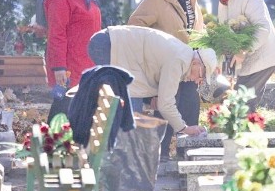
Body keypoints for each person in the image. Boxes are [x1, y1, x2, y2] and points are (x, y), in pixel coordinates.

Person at [128, 0, 205, 157]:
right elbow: (135, 27)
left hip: (188, 65)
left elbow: (198, 29)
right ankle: (160, 156)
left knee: (190, 104)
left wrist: (202, 54)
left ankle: (188, 153)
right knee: (166, 106)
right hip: (163, 65)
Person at [87, 25, 217, 138]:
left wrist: (150, 100)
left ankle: (120, 160)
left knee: (130, 120)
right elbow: (166, 105)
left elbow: (149, 70)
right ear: (196, 63)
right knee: (130, 122)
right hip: (108, 45)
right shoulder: (180, 61)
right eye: (202, 75)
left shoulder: (183, 55)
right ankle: (116, 161)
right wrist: (184, 128)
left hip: (109, 44)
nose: (198, 81)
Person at [209, 0, 275, 112]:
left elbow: (263, 29)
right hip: (245, 62)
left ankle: (246, 133)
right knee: (240, 104)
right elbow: (225, 31)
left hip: (263, 59)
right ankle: (247, 132)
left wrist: (243, 50)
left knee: (242, 105)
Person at [44, 0, 102, 122]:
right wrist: (59, 67)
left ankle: (70, 146)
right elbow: (57, 32)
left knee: (77, 108)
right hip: (68, 64)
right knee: (63, 108)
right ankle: (50, 145)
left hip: (84, 60)